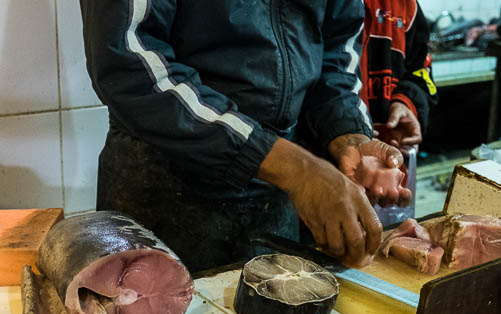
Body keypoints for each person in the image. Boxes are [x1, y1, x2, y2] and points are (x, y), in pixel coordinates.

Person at [80, 0, 411, 273]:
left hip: (275, 204)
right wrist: (299, 169)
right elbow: (129, 64)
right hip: (164, 196)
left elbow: (335, 54)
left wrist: (348, 136)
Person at [361, 0, 437, 149]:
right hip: (320, 160)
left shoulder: (406, 5)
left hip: (388, 152)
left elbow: (420, 70)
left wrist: (404, 103)